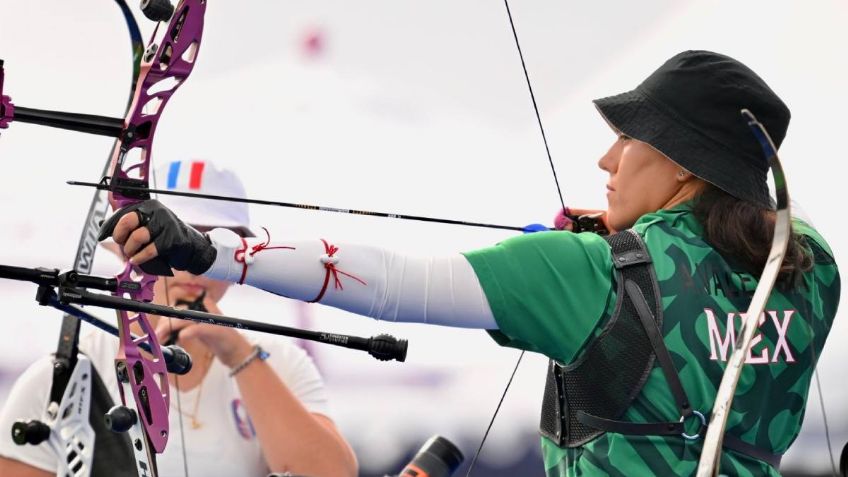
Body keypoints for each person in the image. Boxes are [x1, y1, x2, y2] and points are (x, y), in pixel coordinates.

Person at [101, 51, 840, 476]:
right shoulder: (812, 273)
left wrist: (210, 252)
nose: (606, 158)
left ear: (683, 165)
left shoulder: (590, 275)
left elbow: (392, 283)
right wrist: (627, 235)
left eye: (631, 140)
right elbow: (719, 268)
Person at [0, 160, 358, 477]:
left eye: (213, 248)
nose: (191, 265)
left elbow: (332, 472)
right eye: (170, 240)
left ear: (240, 258)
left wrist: (236, 352)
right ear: (130, 248)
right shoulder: (67, 370)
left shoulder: (279, 361)